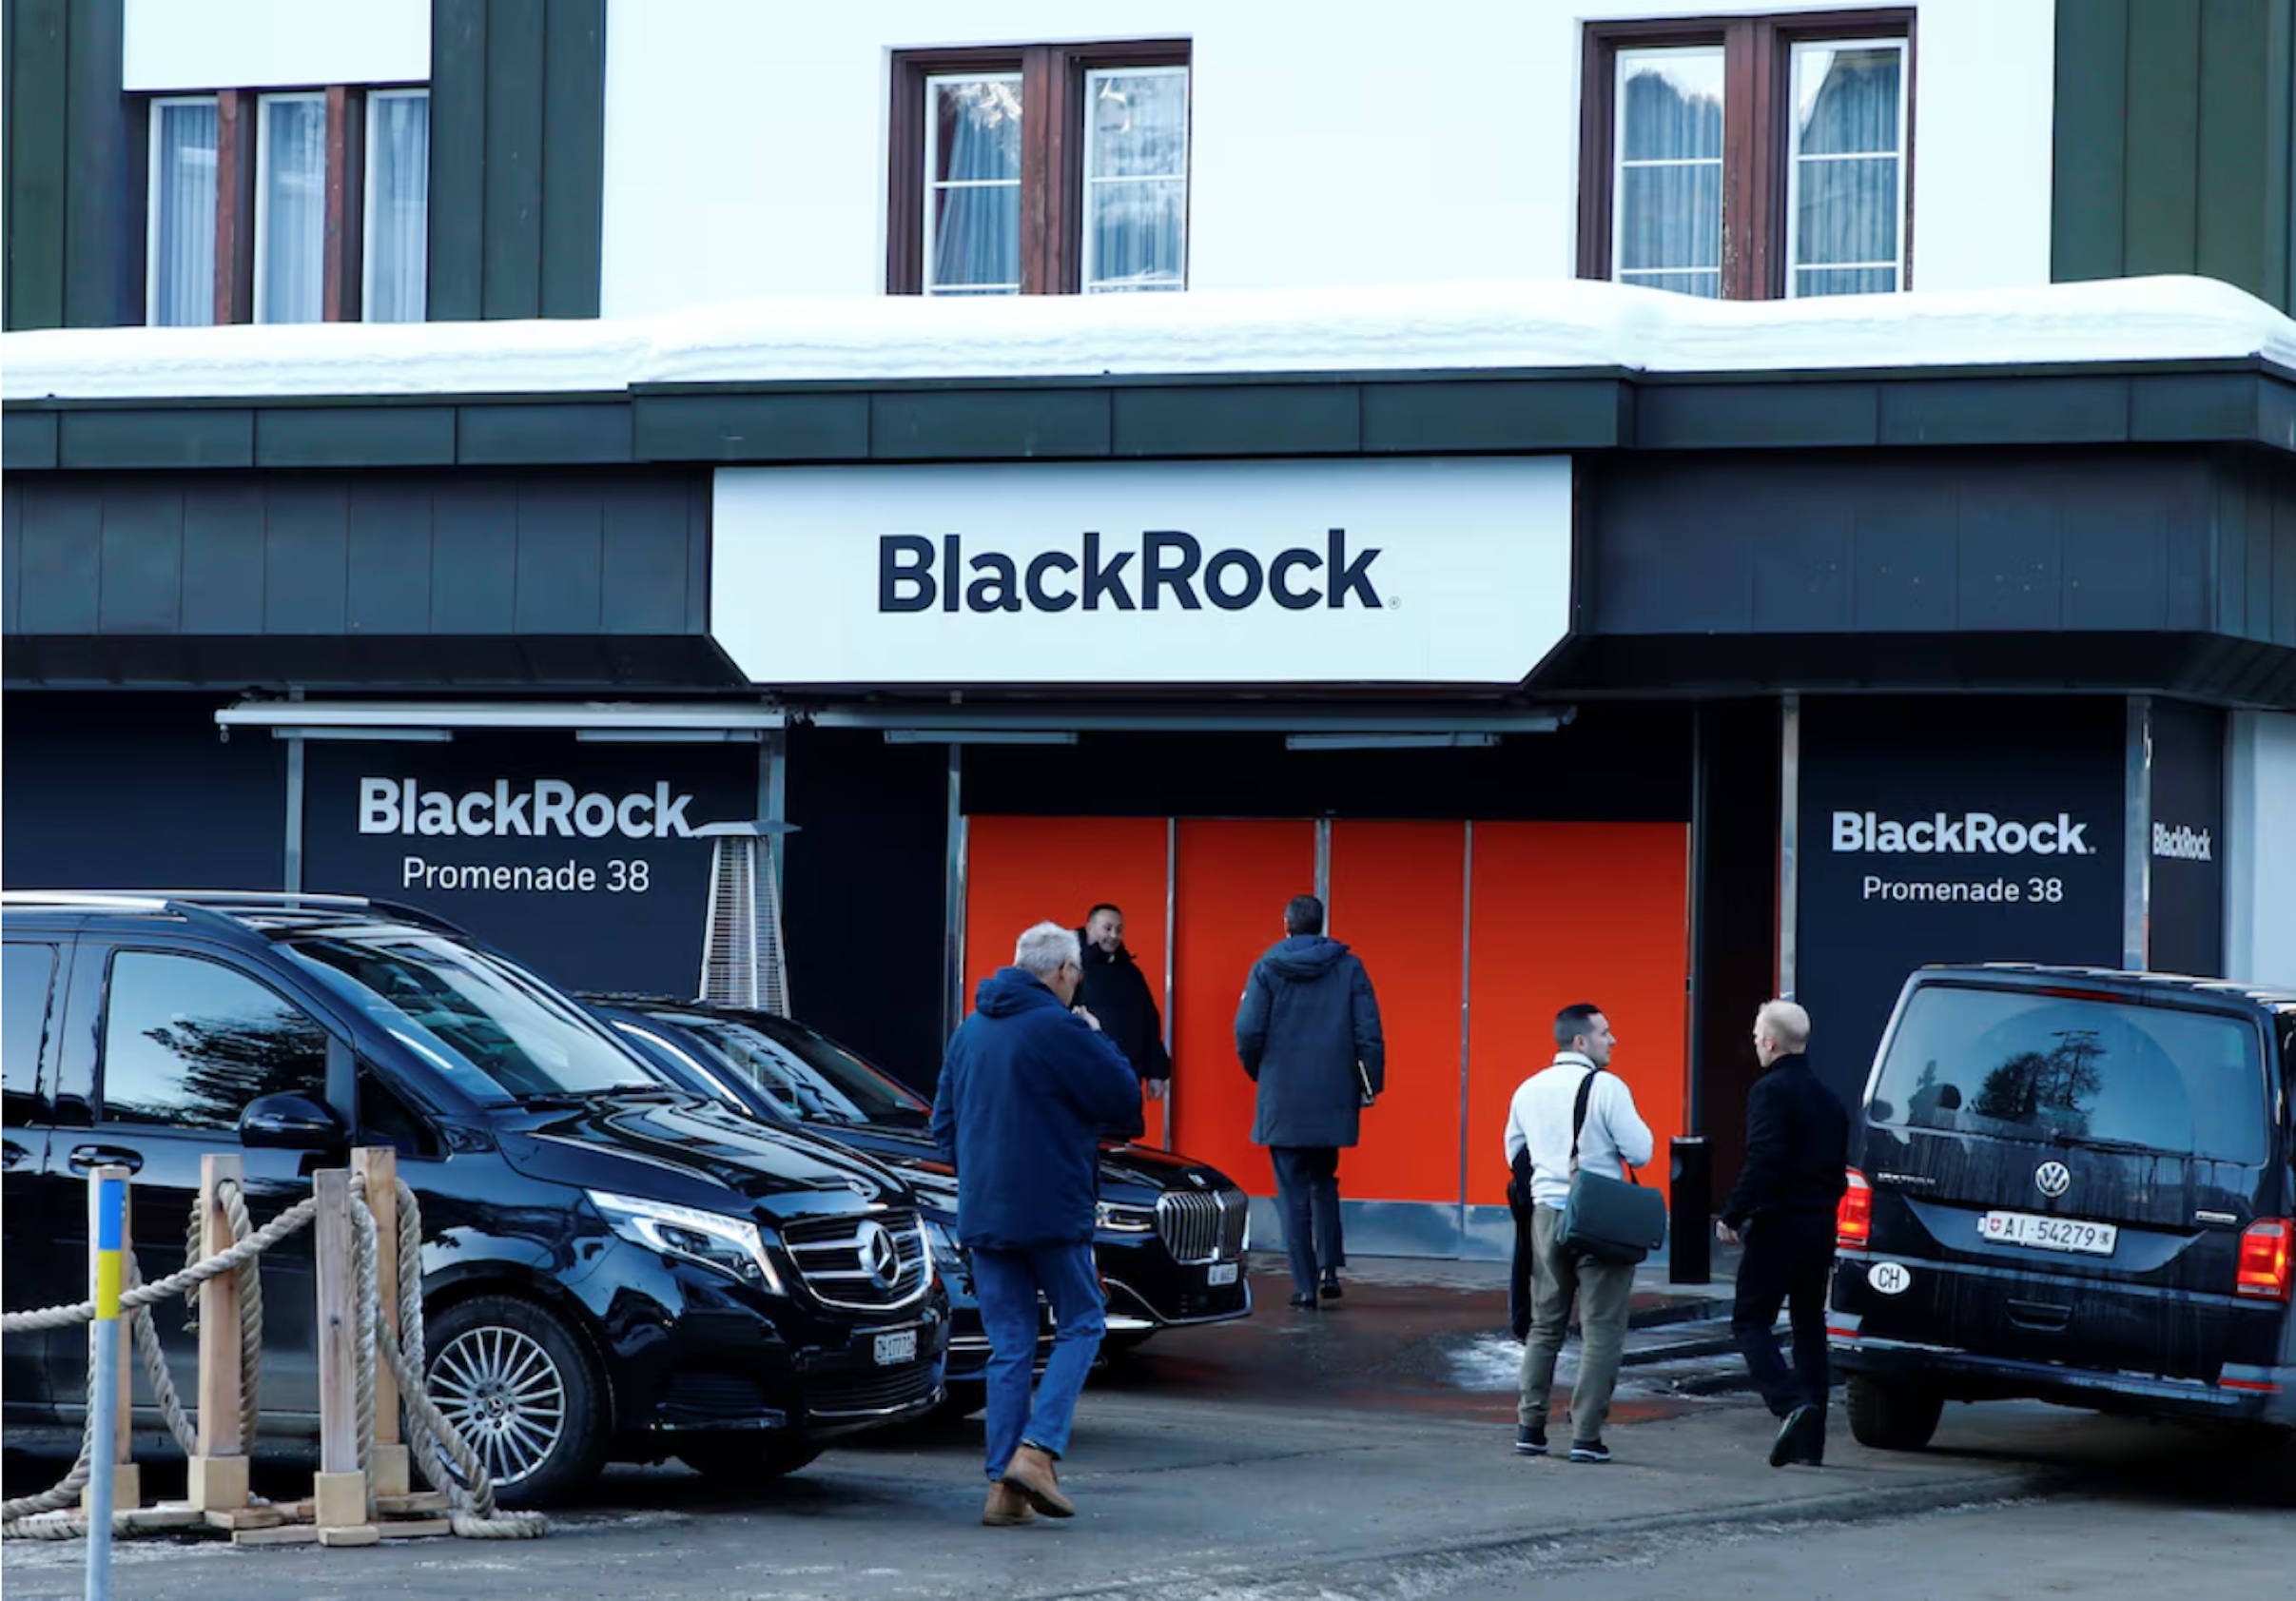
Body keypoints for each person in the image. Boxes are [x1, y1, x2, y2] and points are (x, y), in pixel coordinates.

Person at [931, 921, 1146, 1527]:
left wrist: (983, 1177)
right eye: (1075, 973)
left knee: (1010, 1346)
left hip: (984, 1213)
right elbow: (1124, 1099)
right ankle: (1037, 1449)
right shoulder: (1061, 1026)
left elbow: (943, 1126)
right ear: (1059, 973)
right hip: (1052, 1209)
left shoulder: (970, 1030)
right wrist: (1097, 1038)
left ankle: (1003, 1492)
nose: (1077, 982)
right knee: (1082, 1322)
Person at [1506, 1004, 1654, 1464]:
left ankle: (1530, 1427)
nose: (1614, 1040)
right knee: (1602, 1329)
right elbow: (1642, 1151)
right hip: (1598, 1218)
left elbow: (1514, 1152)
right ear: (1580, 1042)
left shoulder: (1527, 1089)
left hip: (1546, 1216)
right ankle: (1586, 1435)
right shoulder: (1607, 1088)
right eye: (1606, 1033)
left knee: (1545, 1324)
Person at [1716, 999, 1849, 1469]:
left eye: (1757, 1035)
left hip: (1779, 1224)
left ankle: (1791, 1405)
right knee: (1809, 1325)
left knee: (1750, 1320)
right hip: (1819, 1226)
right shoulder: (1829, 1099)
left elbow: (1764, 1158)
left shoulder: (1769, 1091)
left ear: (1771, 1042)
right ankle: (1811, 1447)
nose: (1755, 1041)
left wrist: (1733, 1214)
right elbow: (1838, 1174)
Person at [1234, 893, 1384, 1310]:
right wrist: (1369, 1084)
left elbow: (1247, 1031)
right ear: (1320, 925)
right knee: (1324, 1180)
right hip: (1333, 1091)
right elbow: (1368, 1031)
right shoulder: (1349, 966)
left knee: (1292, 1190)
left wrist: (1259, 1072)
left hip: (1282, 1094)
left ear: (1286, 924)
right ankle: (1329, 1269)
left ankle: (1304, 1286)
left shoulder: (1266, 968)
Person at [1074, 904, 1172, 1099]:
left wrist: (1156, 1072)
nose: (1113, 935)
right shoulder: (1071, 968)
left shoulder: (1131, 973)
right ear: (1090, 928)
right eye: (1107, 928)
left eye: (1119, 929)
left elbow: (1149, 1021)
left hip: (1127, 1078)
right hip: (1083, 1079)